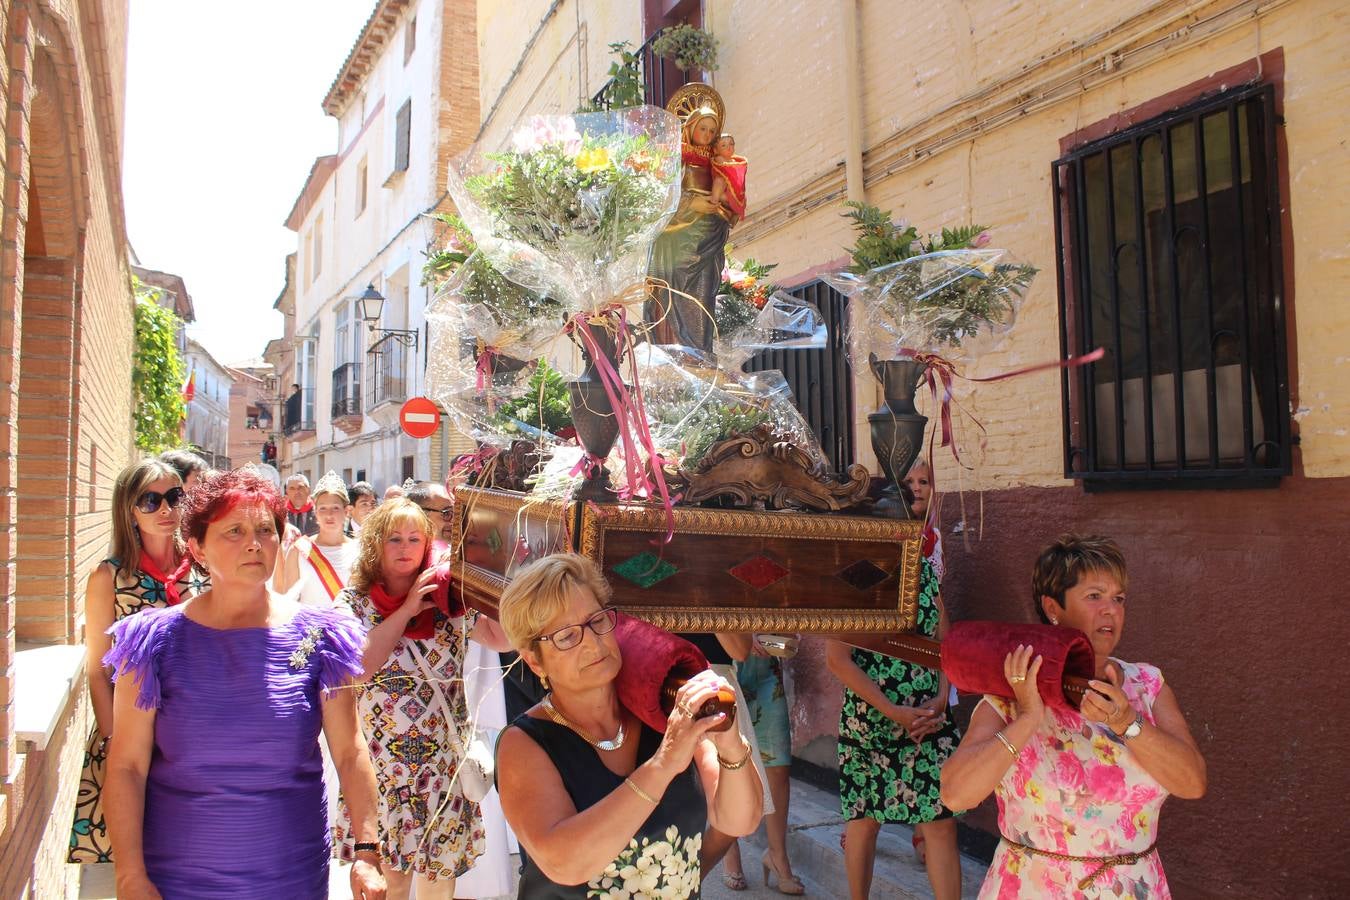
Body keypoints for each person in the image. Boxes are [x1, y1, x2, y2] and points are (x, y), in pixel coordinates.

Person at [101, 469, 385, 900]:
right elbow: (127, 767)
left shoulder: (322, 637)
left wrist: (366, 852)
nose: (254, 543)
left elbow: (349, 752)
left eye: (265, 530)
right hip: (176, 878)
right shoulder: (151, 642)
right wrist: (129, 875)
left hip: (290, 874)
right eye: (234, 531)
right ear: (196, 547)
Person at [940, 535, 1207, 898]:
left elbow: (1192, 782)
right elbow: (956, 794)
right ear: (1053, 608)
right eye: (1094, 596)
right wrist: (1029, 716)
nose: (1110, 610)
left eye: (1119, 598)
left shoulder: (1146, 686)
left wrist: (1127, 723)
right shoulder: (1012, 693)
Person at [495, 553, 763, 897]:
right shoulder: (524, 744)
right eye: (566, 636)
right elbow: (564, 862)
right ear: (535, 660)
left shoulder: (661, 708)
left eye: (597, 621)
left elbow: (739, 821)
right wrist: (663, 765)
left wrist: (731, 746)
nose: (592, 642)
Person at [335, 499, 510, 900]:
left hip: (443, 769)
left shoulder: (449, 599)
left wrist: (491, 588)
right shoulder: (354, 603)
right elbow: (358, 667)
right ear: (375, 545)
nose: (405, 547)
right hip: (384, 771)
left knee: (439, 882)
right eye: (394, 538)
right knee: (390, 884)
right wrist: (408, 609)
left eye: (415, 538)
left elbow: (503, 639)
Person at [69, 458, 208, 865]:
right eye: (150, 501)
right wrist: (115, 739)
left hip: (193, 730)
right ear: (129, 510)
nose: (165, 510)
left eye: (173, 497)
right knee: (134, 857)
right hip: (131, 731)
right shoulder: (108, 578)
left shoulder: (203, 567)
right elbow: (98, 669)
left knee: (193, 851)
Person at [826, 555, 962, 900]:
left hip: (930, 724)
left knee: (941, 824)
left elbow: (945, 641)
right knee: (865, 822)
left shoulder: (926, 571)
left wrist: (943, 694)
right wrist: (891, 710)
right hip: (870, 727)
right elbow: (837, 660)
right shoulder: (855, 575)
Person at [648, 95, 733, 354]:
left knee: (703, 299)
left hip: (707, 241)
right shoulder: (677, 159)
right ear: (690, 127)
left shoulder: (717, 163)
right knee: (674, 298)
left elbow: (733, 200)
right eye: (702, 128)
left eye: (711, 131)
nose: (706, 135)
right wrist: (691, 205)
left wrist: (722, 207)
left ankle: (700, 355)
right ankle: (677, 352)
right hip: (676, 243)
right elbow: (661, 200)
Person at [720, 636, 804, 894]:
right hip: (722, 662)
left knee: (778, 764)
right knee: (724, 761)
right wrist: (745, 635)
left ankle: (777, 855)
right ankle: (728, 849)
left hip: (765, 667)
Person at [278, 470, 360, 607]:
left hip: (350, 626)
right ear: (315, 512)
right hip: (310, 627)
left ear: (346, 512)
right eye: (322, 509)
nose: (329, 514)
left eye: (335, 508)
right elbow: (288, 605)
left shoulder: (360, 550)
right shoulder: (298, 550)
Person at [709, 133, 747, 224]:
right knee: (720, 181)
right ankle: (713, 202)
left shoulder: (734, 161)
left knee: (743, 198)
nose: (728, 147)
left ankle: (734, 214)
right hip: (723, 191)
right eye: (723, 145)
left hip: (731, 193)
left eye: (731, 144)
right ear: (715, 150)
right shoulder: (719, 158)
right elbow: (725, 168)